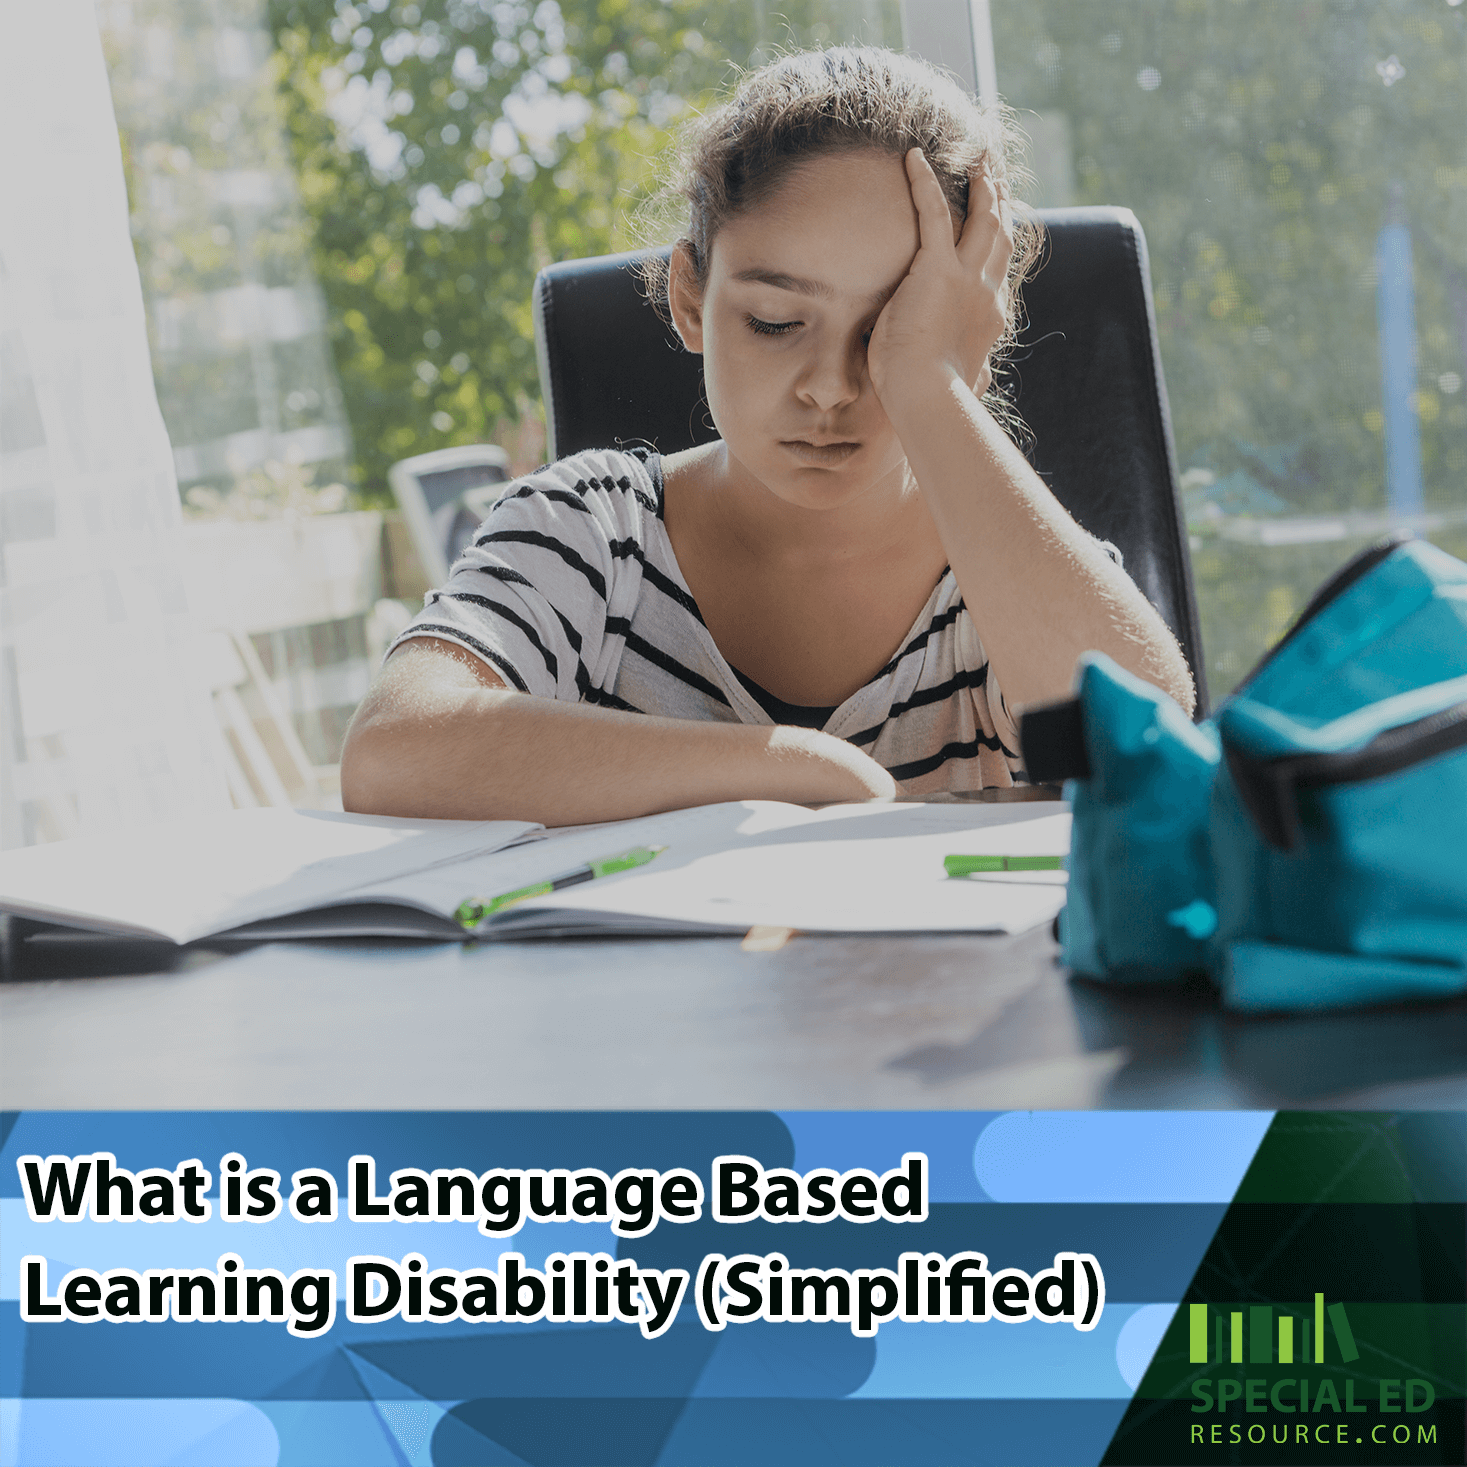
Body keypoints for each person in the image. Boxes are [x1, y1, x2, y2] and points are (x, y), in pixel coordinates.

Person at [341, 46, 1195, 825]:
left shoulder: (1004, 565)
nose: (830, 387)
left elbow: (1150, 744)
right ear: (688, 299)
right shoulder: (593, 534)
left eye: (886, 332)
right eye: (778, 321)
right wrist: (792, 767)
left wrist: (932, 386)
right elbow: (392, 749)